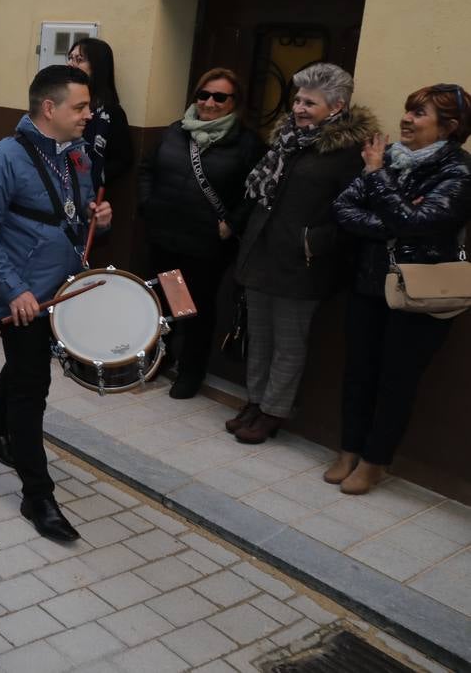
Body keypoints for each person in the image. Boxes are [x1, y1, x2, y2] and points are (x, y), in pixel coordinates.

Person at [0, 65, 113, 542]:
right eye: (81, 107)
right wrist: (13, 290)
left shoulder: (77, 155)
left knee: (24, 368)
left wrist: (99, 219)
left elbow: (74, 214)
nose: (89, 115)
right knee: (33, 388)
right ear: (50, 108)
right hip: (24, 296)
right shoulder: (2, 159)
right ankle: (37, 494)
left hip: (61, 290)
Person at [330, 84, 470, 494]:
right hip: (369, 282)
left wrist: (376, 178)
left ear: (450, 126)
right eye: (408, 110)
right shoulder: (388, 156)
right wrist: (391, 222)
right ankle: (348, 450)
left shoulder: (459, 172)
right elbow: (343, 209)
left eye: (419, 113)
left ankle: (375, 462)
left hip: (419, 295)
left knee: (396, 382)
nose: (406, 118)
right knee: (358, 373)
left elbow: (418, 223)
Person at [231, 63, 379, 444]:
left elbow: (355, 211)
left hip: (304, 264)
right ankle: (254, 401)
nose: (298, 108)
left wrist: (314, 242)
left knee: (289, 344)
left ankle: (273, 411)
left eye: (309, 103)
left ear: (336, 107)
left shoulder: (348, 151)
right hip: (262, 253)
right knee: (260, 337)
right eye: (297, 100)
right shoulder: (287, 141)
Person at [137, 68, 264, 398]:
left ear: (235, 103)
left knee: (195, 309)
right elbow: (148, 169)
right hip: (165, 235)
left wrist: (232, 223)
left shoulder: (247, 143)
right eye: (203, 95)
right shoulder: (175, 132)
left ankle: (191, 372)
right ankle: (160, 358)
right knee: (165, 302)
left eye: (220, 97)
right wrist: (148, 204)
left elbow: (258, 192)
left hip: (205, 245)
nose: (209, 102)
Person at [67, 37, 133, 186]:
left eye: (79, 59)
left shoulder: (111, 112)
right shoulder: (62, 102)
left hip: (87, 194)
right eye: (70, 58)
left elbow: (123, 159)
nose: (71, 63)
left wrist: (94, 176)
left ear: (97, 66)